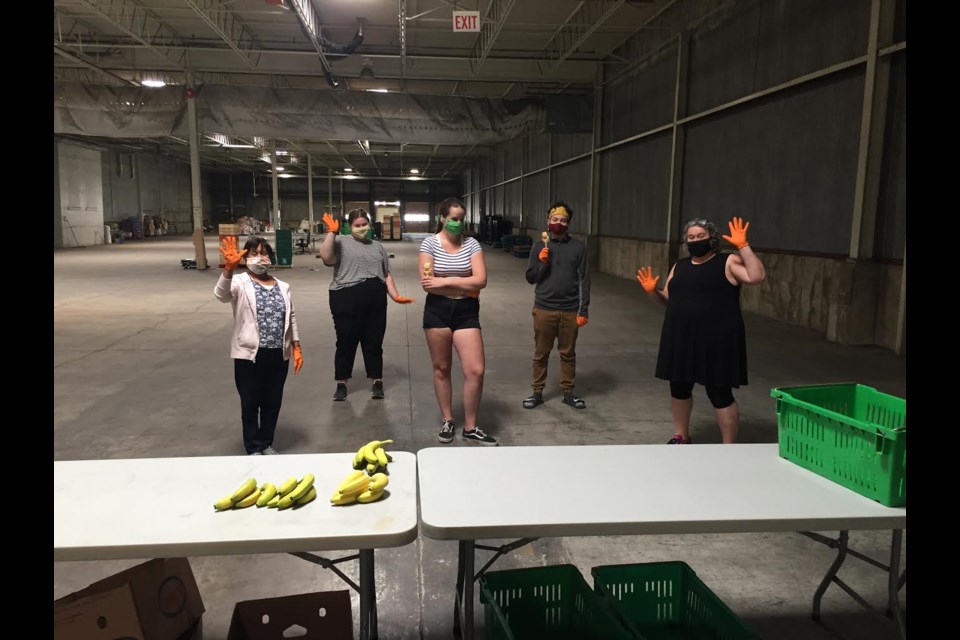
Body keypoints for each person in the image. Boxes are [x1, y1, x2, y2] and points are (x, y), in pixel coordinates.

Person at [636, 217, 766, 444]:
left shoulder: (728, 261)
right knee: (679, 387)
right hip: (681, 337)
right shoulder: (680, 266)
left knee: (719, 392)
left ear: (712, 239)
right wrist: (652, 291)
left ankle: (728, 446)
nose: (695, 241)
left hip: (716, 340)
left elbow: (756, 276)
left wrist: (743, 246)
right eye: (691, 237)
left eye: (701, 236)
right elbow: (668, 299)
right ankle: (681, 436)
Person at [418, 197, 499, 446]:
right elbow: (427, 284)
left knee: (475, 369)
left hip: (466, 312)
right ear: (443, 218)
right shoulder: (429, 243)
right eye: (454, 219)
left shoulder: (472, 244)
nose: (458, 224)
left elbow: (481, 281)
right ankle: (448, 420)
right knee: (442, 368)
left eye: (461, 219)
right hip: (437, 311)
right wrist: (463, 283)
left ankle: (471, 426)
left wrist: (445, 281)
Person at [215, 236, 304, 455]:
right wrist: (228, 269)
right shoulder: (240, 282)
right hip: (249, 355)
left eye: (264, 253)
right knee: (250, 402)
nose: (259, 258)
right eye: (254, 253)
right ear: (245, 257)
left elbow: (290, 315)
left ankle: (266, 443)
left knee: (272, 402)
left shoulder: (283, 286)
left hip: (278, 354)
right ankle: (253, 447)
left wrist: (296, 345)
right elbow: (221, 295)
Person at [319, 209, 414, 401]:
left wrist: (395, 295)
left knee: (373, 342)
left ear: (369, 224)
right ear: (349, 226)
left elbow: (386, 273)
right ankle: (341, 383)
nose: (361, 228)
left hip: (375, 299)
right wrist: (331, 233)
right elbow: (327, 258)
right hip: (345, 297)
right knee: (346, 341)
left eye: (364, 224)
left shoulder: (378, 246)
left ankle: (376, 381)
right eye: (357, 225)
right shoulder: (341, 242)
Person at [522, 201, 591, 410]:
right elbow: (530, 278)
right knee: (541, 353)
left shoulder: (578, 247)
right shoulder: (539, 246)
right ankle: (537, 392)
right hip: (544, 308)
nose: (558, 223)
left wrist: (583, 309)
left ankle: (568, 392)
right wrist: (542, 263)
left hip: (570, 310)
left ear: (568, 223)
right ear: (548, 221)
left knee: (568, 353)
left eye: (563, 220)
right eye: (555, 219)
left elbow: (585, 279)